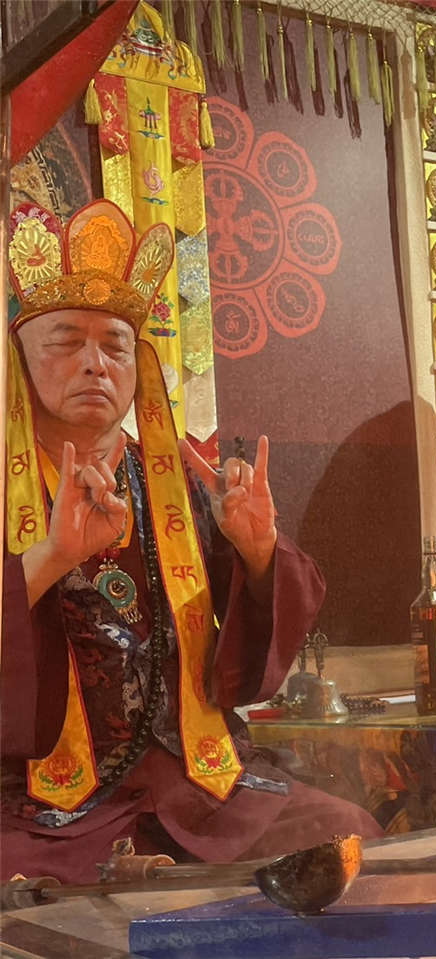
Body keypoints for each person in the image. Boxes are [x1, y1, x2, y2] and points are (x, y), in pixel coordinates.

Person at [1, 200, 380, 883]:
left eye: (115, 345)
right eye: (66, 341)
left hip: (195, 787)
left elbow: (258, 644)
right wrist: (49, 558)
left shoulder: (174, 481)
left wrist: (258, 550)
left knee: (343, 834)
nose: (94, 364)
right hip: (43, 806)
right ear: (19, 356)